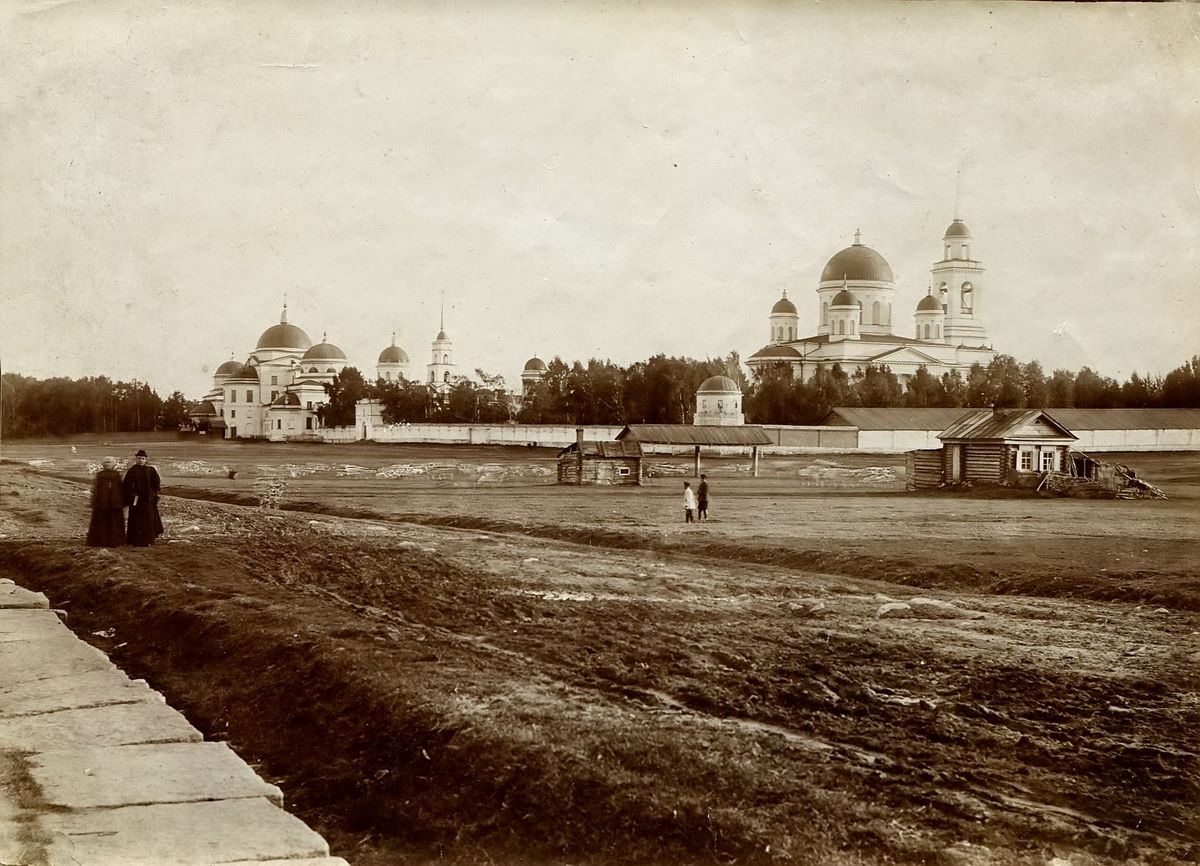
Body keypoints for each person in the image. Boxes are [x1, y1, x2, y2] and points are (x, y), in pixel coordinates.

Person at [123, 449, 163, 546]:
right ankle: (134, 540)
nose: (141, 460)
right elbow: (126, 485)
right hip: (135, 500)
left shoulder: (151, 470)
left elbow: (156, 484)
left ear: (146, 460)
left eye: (143, 458)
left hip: (147, 499)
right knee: (135, 518)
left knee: (148, 519)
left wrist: (153, 494)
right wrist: (131, 495)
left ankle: (148, 540)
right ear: (135, 459)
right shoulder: (132, 471)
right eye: (139, 458)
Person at [86, 457, 126, 547]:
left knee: (114, 521)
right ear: (103, 464)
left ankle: (115, 540)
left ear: (114, 464)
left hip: (115, 503)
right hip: (101, 502)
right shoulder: (99, 475)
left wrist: (122, 501)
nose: (108, 464)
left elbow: (121, 489)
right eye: (106, 462)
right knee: (101, 521)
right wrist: (94, 501)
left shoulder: (118, 475)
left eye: (110, 462)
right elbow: (95, 489)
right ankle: (100, 541)